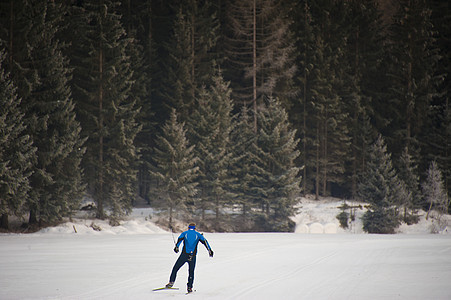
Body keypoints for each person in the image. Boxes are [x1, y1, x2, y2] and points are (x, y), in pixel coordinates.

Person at [166, 223, 213, 293]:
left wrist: (176, 247)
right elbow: (205, 242)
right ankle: (189, 287)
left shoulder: (185, 233)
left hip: (184, 255)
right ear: (195, 228)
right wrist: (210, 250)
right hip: (192, 256)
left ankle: (171, 282)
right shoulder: (198, 235)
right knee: (191, 272)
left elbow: (179, 240)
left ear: (188, 228)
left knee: (175, 268)